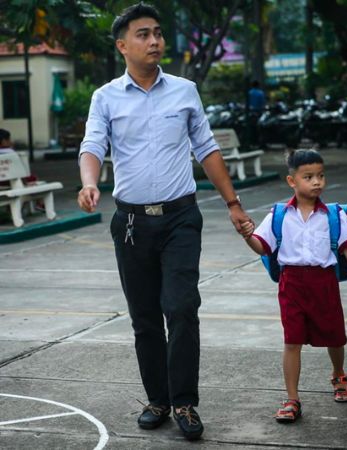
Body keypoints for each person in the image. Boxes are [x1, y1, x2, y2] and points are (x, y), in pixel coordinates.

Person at [76, 3, 251, 441]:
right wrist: (88, 183)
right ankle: (157, 399)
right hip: (132, 223)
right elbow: (92, 144)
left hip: (180, 218)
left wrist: (232, 203)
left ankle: (184, 402)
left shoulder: (185, 90)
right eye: (143, 34)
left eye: (157, 33)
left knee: (181, 306)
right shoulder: (106, 97)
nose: (154, 41)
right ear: (123, 45)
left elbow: (207, 148)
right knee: (146, 318)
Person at [240, 148, 347, 423]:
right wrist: (246, 235)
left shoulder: (333, 215)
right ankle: (292, 398)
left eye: (321, 176)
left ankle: (338, 375)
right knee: (292, 340)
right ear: (292, 181)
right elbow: (261, 247)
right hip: (292, 283)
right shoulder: (279, 215)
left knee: (335, 336)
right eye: (309, 177)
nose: (317, 182)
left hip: (324, 282)